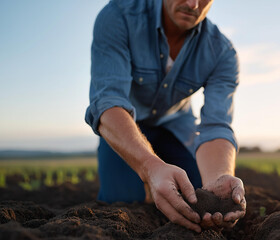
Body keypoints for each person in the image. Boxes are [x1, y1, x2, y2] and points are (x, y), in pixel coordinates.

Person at [85, 0, 246, 233]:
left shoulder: (222, 52)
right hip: (125, 125)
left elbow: (216, 126)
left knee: (198, 198)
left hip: (176, 127)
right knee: (121, 203)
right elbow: (108, 102)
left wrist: (220, 175)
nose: (192, 4)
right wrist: (150, 167)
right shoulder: (118, 16)